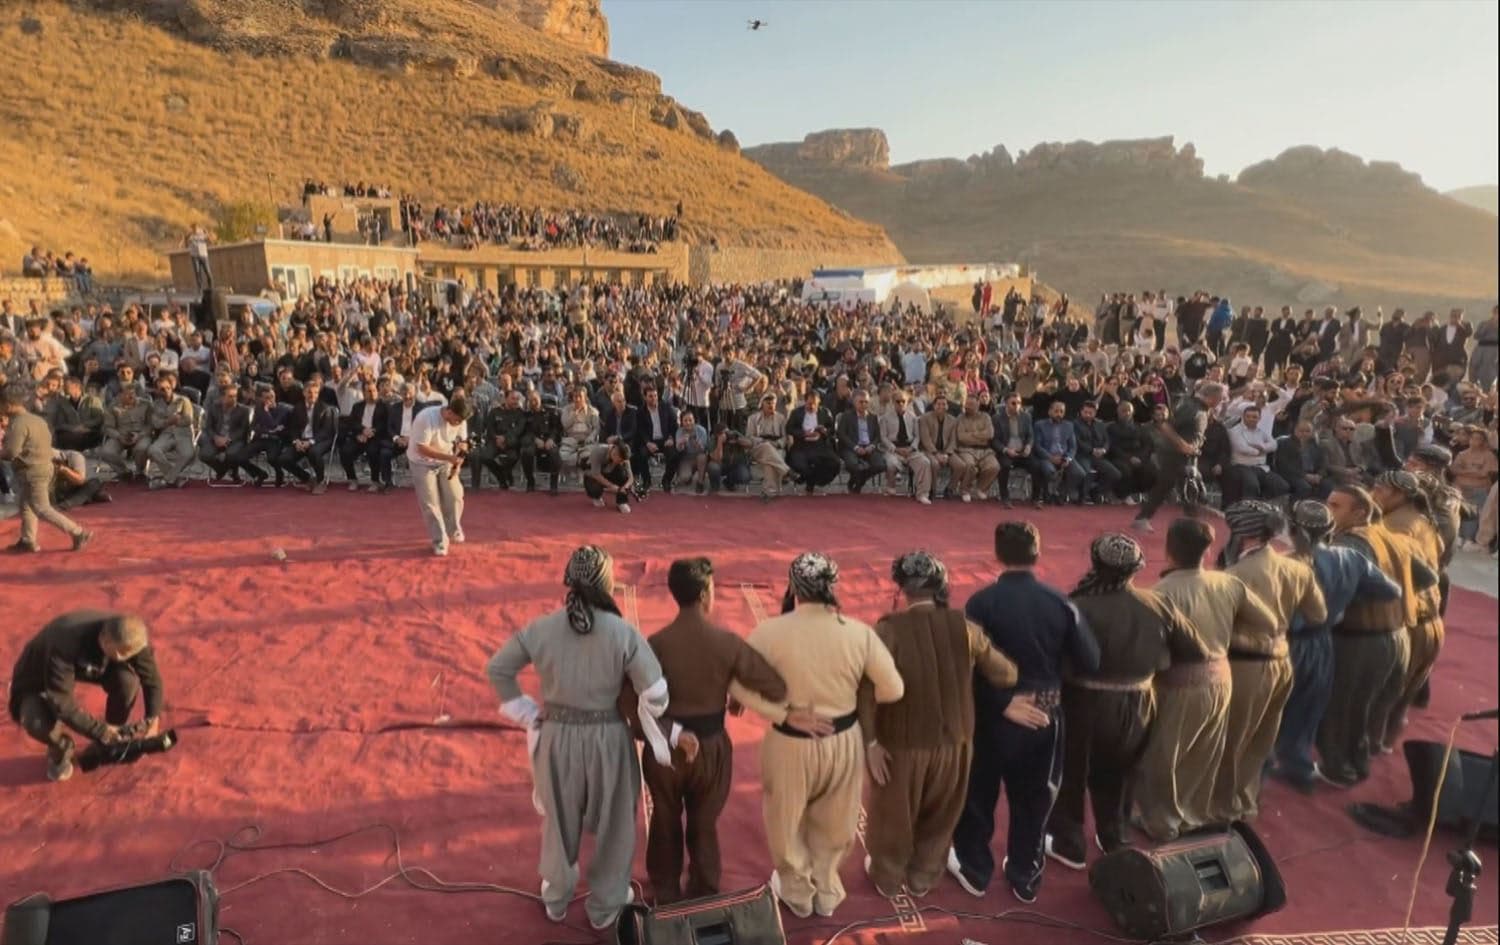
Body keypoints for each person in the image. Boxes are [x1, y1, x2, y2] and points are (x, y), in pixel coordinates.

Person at [487, 546, 672, 930]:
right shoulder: (623, 632)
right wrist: (646, 718)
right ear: (606, 583)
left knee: (559, 819)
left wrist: (525, 712)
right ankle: (606, 905)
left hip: (557, 737)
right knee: (615, 822)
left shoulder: (541, 628)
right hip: (609, 739)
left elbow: (498, 669)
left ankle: (556, 896)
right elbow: (656, 692)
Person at [729, 553, 904, 919]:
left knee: (786, 819)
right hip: (843, 741)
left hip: (789, 741)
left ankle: (797, 893)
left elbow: (737, 685)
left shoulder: (769, 632)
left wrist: (784, 714)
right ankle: (826, 891)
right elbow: (893, 689)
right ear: (833, 587)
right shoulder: (858, 633)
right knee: (836, 821)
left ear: (793, 588)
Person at [858, 551, 1040, 898]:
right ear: (941, 586)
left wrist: (870, 743)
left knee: (892, 814)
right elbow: (1006, 674)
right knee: (942, 814)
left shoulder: (887, 631)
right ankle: (923, 877)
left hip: (901, 744)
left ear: (903, 589)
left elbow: (864, 692)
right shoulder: (965, 628)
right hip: (956, 742)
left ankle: (887, 875)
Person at [620, 557, 789, 904]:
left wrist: (656, 734)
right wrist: (735, 692)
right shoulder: (726, 643)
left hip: (665, 751)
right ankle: (704, 889)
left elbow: (628, 700)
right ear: (703, 594)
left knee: (664, 817)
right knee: (704, 822)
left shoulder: (655, 645)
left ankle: (665, 890)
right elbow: (774, 686)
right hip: (711, 749)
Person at [950, 522, 1100, 904]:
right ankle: (1025, 875)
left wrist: (1003, 701)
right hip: (1043, 713)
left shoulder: (981, 603)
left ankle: (975, 869)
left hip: (992, 715)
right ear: (1037, 553)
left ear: (997, 554)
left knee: (979, 795)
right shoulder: (1060, 603)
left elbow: (968, 666)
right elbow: (1090, 660)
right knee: (1035, 799)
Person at [1046, 533, 1206, 870]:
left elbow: (1054, 658)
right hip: (1139, 703)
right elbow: (1196, 651)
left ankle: (1070, 843)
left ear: (1096, 563)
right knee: (1121, 773)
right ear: (1137, 568)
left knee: (1072, 773)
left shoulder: (1078, 605)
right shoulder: (1158, 603)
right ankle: (1114, 836)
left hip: (1083, 703)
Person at [1137, 518, 1277, 841]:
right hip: (1221, 678)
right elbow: (1269, 622)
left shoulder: (1159, 594)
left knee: (1163, 756)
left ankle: (1162, 822)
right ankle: (1194, 814)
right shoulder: (1228, 584)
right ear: (1209, 550)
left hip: (1178, 682)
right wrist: (1222, 635)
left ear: (1168, 550)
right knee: (1205, 752)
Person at [1271, 500, 1400, 791]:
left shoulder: (1283, 564)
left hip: (1286, 645)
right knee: (1308, 709)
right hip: (1323, 643)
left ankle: (1258, 771)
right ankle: (1299, 768)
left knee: (1270, 710)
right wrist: (1344, 600)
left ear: (1292, 530)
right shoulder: (1350, 559)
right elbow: (1391, 591)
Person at [1215, 502, 1326, 822]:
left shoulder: (1233, 576)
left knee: (1232, 740)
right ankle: (1245, 802)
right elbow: (1318, 615)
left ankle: (1220, 807)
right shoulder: (1297, 569)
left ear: (1244, 533)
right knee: (1262, 739)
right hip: (1282, 662)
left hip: (1244, 665)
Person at [1319, 485, 1434, 786]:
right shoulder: (1391, 537)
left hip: (1362, 639)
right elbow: (1428, 578)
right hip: (1398, 636)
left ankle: (1339, 770)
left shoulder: (1350, 542)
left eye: (1335, 506)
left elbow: (1336, 595)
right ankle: (1357, 763)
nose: (1327, 510)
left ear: (1359, 513)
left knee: (1344, 707)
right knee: (1366, 707)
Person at [9, 611, 164, 782]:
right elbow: (62, 703)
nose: (120, 657)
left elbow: (152, 679)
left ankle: (113, 737)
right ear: (104, 637)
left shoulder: (132, 638)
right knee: (36, 721)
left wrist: (152, 719)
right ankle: (60, 748)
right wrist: (99, 731)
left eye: (125, 653)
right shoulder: (64, 642)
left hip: (93, 661)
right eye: (117, 651)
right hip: (39, 674)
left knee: (127, 682)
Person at [1, 385, 92, 552]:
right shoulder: (37, 420)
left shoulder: (18, 424)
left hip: (32, 471)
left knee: (42, 508)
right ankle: (28, 540)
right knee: (26, 505)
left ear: (8, 405)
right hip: (43, 467)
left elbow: (11, 452)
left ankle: (78, 532)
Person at [1134, 382, 1226, 531]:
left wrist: (1192, 448)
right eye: (1220, 399)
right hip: (1174, 453)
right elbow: (1166, 426)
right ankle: (1142, 518)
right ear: (1212, 397)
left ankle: (1193, 518)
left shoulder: (1202, 409)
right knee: (1166, 485)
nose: (1221, 402)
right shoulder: (1191, 408)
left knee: (1190, 485)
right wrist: (1183, 446)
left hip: (1187, 454)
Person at [406, 394, 471, 557]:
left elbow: (462, 444)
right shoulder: (426, 418)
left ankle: (453, 528)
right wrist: (449, 458)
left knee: (455, 495)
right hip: (421, 462)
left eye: (461, 421)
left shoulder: (461, 420)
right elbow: (422, 448)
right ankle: (440, 540)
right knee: (430, 503)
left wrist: (457, 464)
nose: (458, 424)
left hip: (446, 460)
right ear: (449, 411)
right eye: (456, 420)